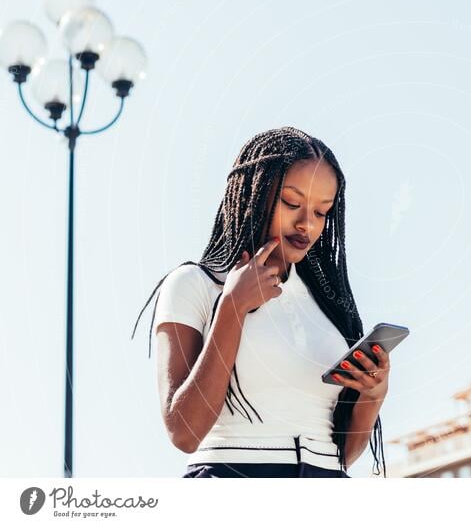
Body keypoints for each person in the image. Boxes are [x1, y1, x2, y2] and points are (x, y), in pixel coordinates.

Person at [131, 127, 389, 478]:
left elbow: (341, 453)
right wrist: (233, 307)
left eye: (321, 212)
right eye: (292, 203)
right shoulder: (195, 285)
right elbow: (183, 432)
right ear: (255, 193)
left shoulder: (327, 307)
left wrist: (373, 395)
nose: (306, 225)